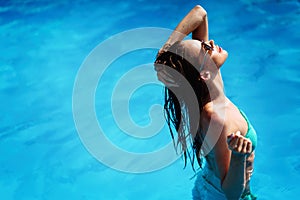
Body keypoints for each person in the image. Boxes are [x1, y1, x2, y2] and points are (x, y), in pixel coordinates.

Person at [154, 5, 257, 200]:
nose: (210, 41)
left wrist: (164, 52)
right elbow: (231, 193)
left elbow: (200, 14)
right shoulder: (217, 117)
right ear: (204, 73)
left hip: (209, 187)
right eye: (205, 48)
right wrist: (238, 156)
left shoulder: (205, 91)